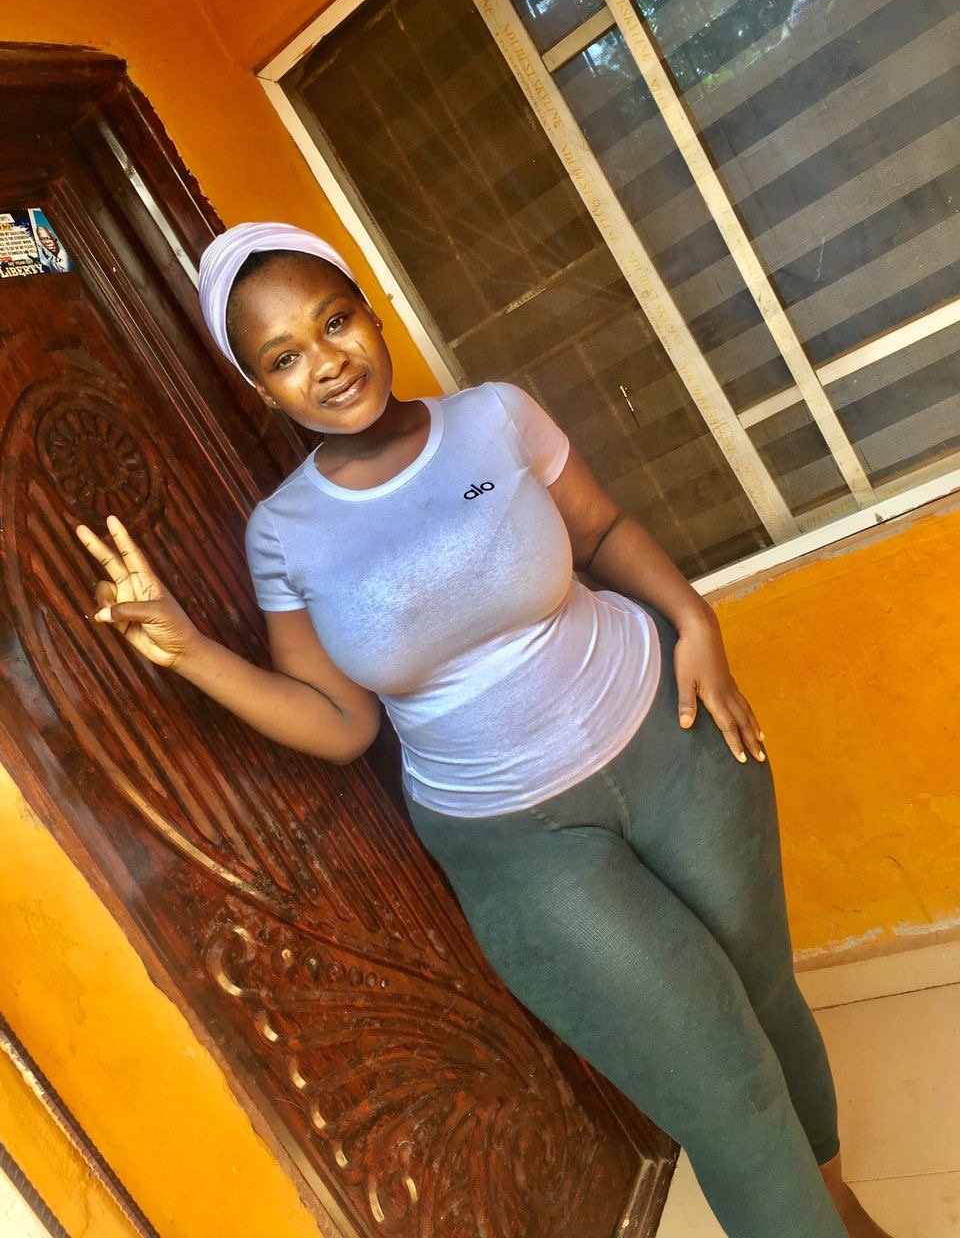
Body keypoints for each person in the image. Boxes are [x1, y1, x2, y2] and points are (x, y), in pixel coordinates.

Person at [78, 222, 894, 1238]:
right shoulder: (283, 534)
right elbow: (340, 723)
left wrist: (696, 621)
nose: (325, 362)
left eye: (334, 321)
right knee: (726, 1092)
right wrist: (192, 650)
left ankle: (841, 1211)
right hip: (519, 843)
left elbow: (599, 530)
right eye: (283, 357)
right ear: (261, 389)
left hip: (673, 738)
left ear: (370, 313)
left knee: (768, 996)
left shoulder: (495, 417)